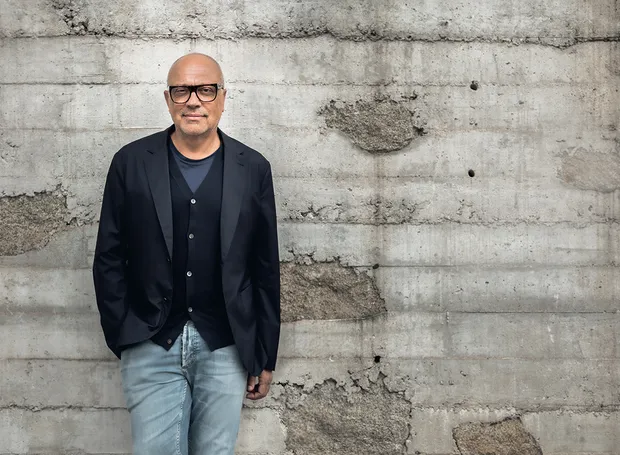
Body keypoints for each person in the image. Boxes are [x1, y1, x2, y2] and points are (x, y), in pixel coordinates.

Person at [92, 53, 281, 455]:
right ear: (168, 99)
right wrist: (124, 333)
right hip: (150, 341)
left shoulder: (253, 168)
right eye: (182, 90)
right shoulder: (130, 163)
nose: (193, 100)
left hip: (226, 345)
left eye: (205, 90)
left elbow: (265, 267)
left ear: (223, 98)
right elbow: (108, 256)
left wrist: (265, 354)